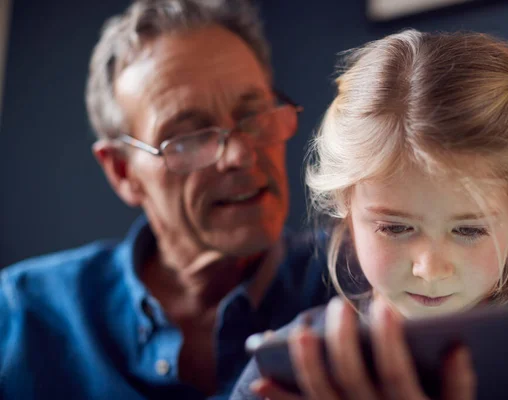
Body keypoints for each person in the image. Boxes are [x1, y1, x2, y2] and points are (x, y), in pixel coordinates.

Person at [231, 29, 508, 400]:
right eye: (395, 227)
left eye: (468, 230)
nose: (429, 269)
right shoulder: (286, 372)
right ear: (345, 205)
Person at [0, 1, 334, 399]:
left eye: (255, 114)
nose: (241, 155)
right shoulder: (21, 314)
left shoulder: (361, 280)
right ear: (122, 172)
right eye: (190, 137)